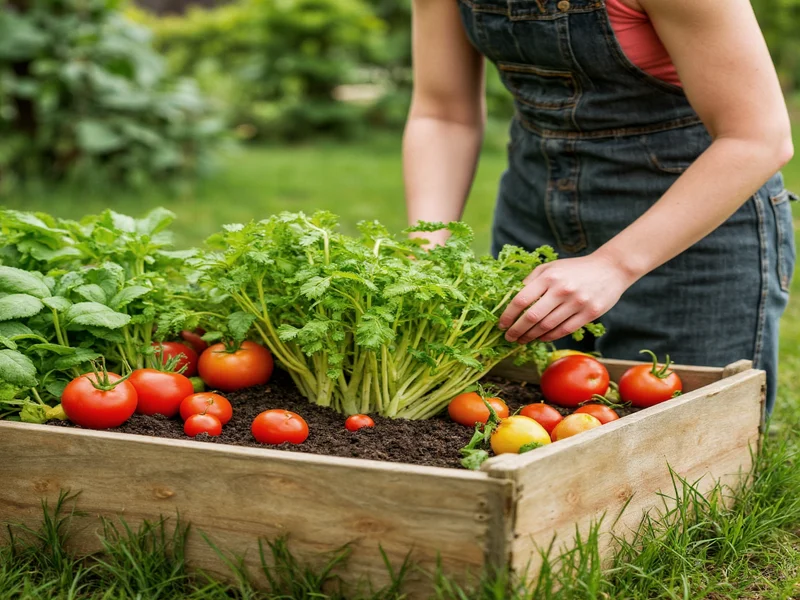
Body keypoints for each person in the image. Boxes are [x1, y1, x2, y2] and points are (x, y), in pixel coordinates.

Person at [402, 0, 795, 414]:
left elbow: (757, 138)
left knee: (677, 453)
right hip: (534, 209)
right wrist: (426, 253)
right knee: (515, 433)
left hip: (689, 224)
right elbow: (443, 115)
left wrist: (614, 265)